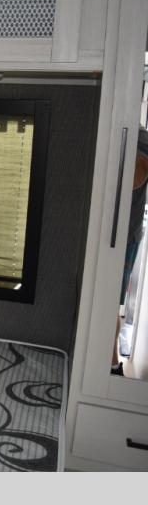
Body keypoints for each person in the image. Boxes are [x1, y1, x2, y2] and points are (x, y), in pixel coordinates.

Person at [112, 126, 148, 376]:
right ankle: (112, 362)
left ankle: (112, 363)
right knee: (107, 304)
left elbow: (134, 179)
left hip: (122, 238)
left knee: (109, 304)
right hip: (118, 233)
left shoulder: (141, 139)